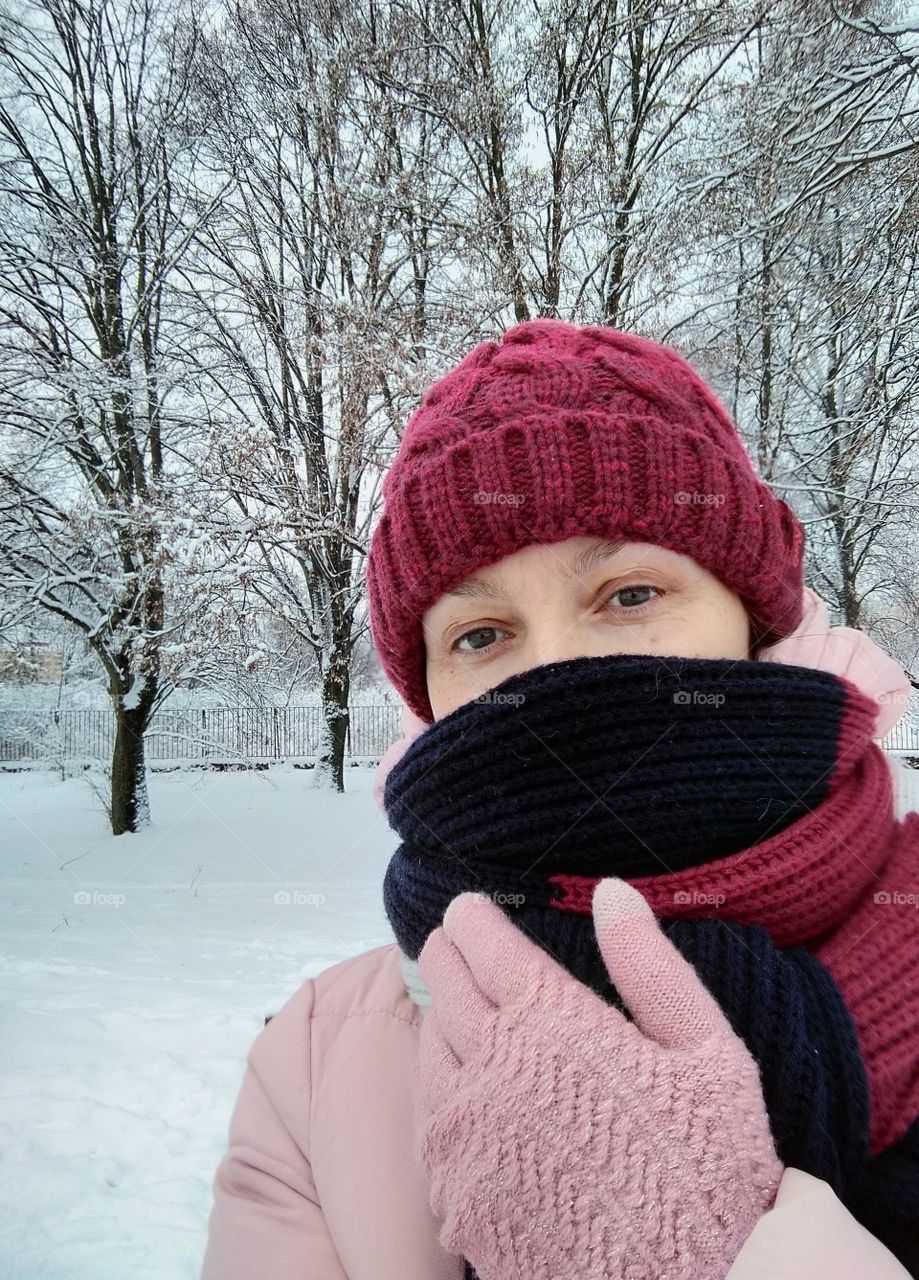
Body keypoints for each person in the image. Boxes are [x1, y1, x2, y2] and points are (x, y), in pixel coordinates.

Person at [200, 320, 919, 1280]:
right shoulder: (319, 1061)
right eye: (481, 634)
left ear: (753, 621)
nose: (560, 671)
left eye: (629, 594)